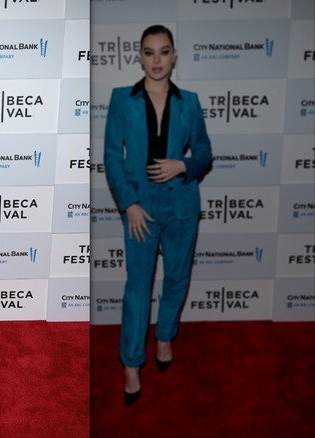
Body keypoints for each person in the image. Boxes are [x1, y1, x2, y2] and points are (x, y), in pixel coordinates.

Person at [103, 24, 213, 407]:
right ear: (139, 56)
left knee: (178, 277)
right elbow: (111, 157)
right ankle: (132, 362)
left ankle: (165, 335)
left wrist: (182, 165)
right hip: (140, 208)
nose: (157, 60)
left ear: (174, 56)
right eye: (149, 52)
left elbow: (204, 154)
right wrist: (129, 204)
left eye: (164, 52)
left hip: (182, 205)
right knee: (138, 285)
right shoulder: (122, 99)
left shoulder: (190, 102)